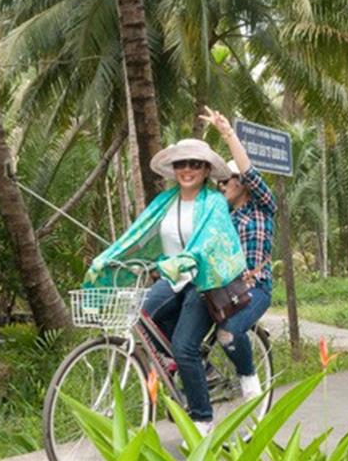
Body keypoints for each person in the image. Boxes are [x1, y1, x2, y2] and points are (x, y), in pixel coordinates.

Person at [83, 138, 246, 435]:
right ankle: (195, 369)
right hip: (172, 279)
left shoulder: (214, 204)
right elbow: (136, 235)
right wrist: (109, 259)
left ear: (207, 169)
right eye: (180, 164)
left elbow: (210, 241)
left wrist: (187, 259)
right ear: (173, 169)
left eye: (194, 164)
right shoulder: (164, 202)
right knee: (140, 318)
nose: (187, 170)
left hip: (203, 283)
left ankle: (201, 421)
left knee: (184, 347)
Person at [199, 106, 276, 401]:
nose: (221, 185)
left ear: (240, 183)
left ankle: (249, 381)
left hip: (255, 289)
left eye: (226, 180)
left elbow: (250, 174)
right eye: (219, 181)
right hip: (223, 291)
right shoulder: (223, 219)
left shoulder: (262, 208)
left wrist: (227, 133)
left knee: (228, 333)